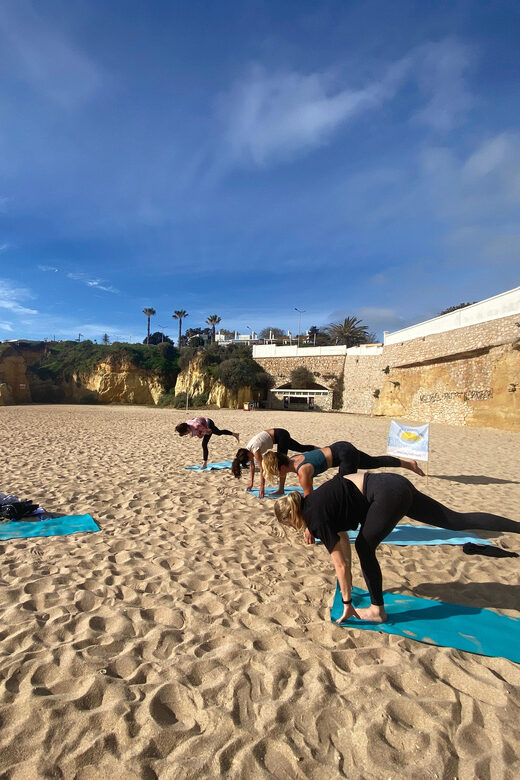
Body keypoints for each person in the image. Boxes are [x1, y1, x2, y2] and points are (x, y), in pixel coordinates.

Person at [274, 472, 520, 624]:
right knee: (456, 521)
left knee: (364, 546)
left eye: (287, 524)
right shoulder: (312, 503)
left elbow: (341, 563)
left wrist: (348, 603)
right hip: (391, 484)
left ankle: (377, 610)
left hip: (386, 495)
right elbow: (340, 536)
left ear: (291, 517)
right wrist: (344, 583)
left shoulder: (317, 519)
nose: (290, 528)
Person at [262, 441, 425, 498]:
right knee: (374, 462)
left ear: (281, 467)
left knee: (343, 488)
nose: (278, 476)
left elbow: (310, 499)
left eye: (276, 473)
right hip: (341, 447)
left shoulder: (302, 472)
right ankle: (409, 464)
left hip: (344, 455)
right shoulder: (294, 458)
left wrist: (309, 527)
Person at [232, 428, 318, 498]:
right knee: (301, 448)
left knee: (282, 464)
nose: (251, 459)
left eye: (249, 458)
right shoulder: (248, 450)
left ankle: (281, 489)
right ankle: (319, 449)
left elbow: (262, 469)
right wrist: (251, 483)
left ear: (247, 454)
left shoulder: (255, 450)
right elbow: (252, 467)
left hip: (281, 435)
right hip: (281, 435)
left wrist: (262, 488)